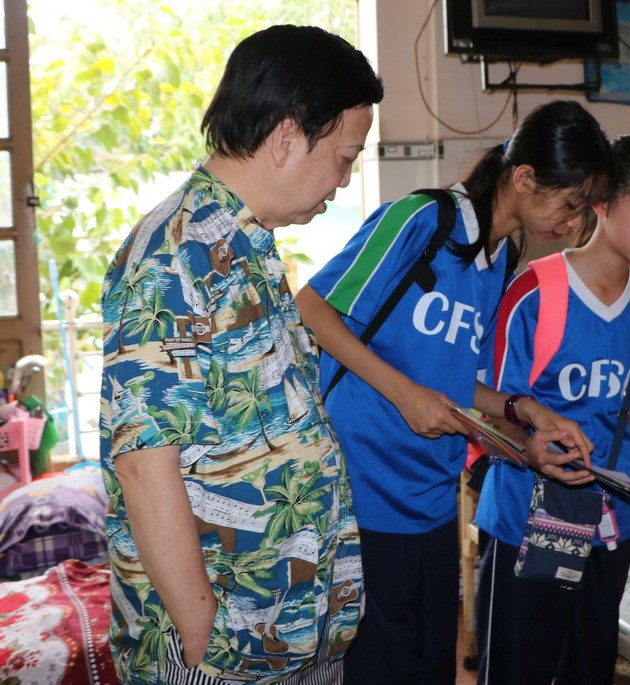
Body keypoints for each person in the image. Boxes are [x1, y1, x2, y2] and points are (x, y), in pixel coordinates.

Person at [99, 25, 383, 684]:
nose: (343, 180)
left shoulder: (243, 246)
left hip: (282, 629)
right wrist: (203, 640)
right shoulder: (173, 257)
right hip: (229, 650)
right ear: (287, 137)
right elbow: (145, 466)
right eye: (344, 156)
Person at [295, 99, 610, 685]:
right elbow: (312, 308)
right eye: (568, 205)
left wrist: (524, 413)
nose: (570, 226)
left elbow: (449, 379)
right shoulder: (422, 221)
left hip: (431, 498)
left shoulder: (500, 258)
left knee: (430, 664)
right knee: (377, 667)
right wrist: (405, 393)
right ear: (524, 179)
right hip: (364, 490)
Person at [474, 133, 630, 685]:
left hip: (608, 524)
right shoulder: (535, 293)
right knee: (518, 668)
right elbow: (493, 407)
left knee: (589, 667)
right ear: (601, 202)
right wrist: (528, 443)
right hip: (527, 520)